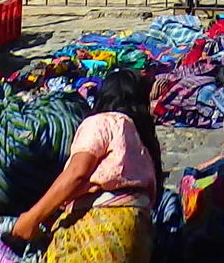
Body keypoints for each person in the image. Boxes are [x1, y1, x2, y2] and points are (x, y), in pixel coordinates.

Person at [9, 67, 165, 263]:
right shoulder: (142, 143)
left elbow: (77, 174)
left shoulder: (102, 122)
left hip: (102, 228)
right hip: (138, 233)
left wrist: (32, 218)